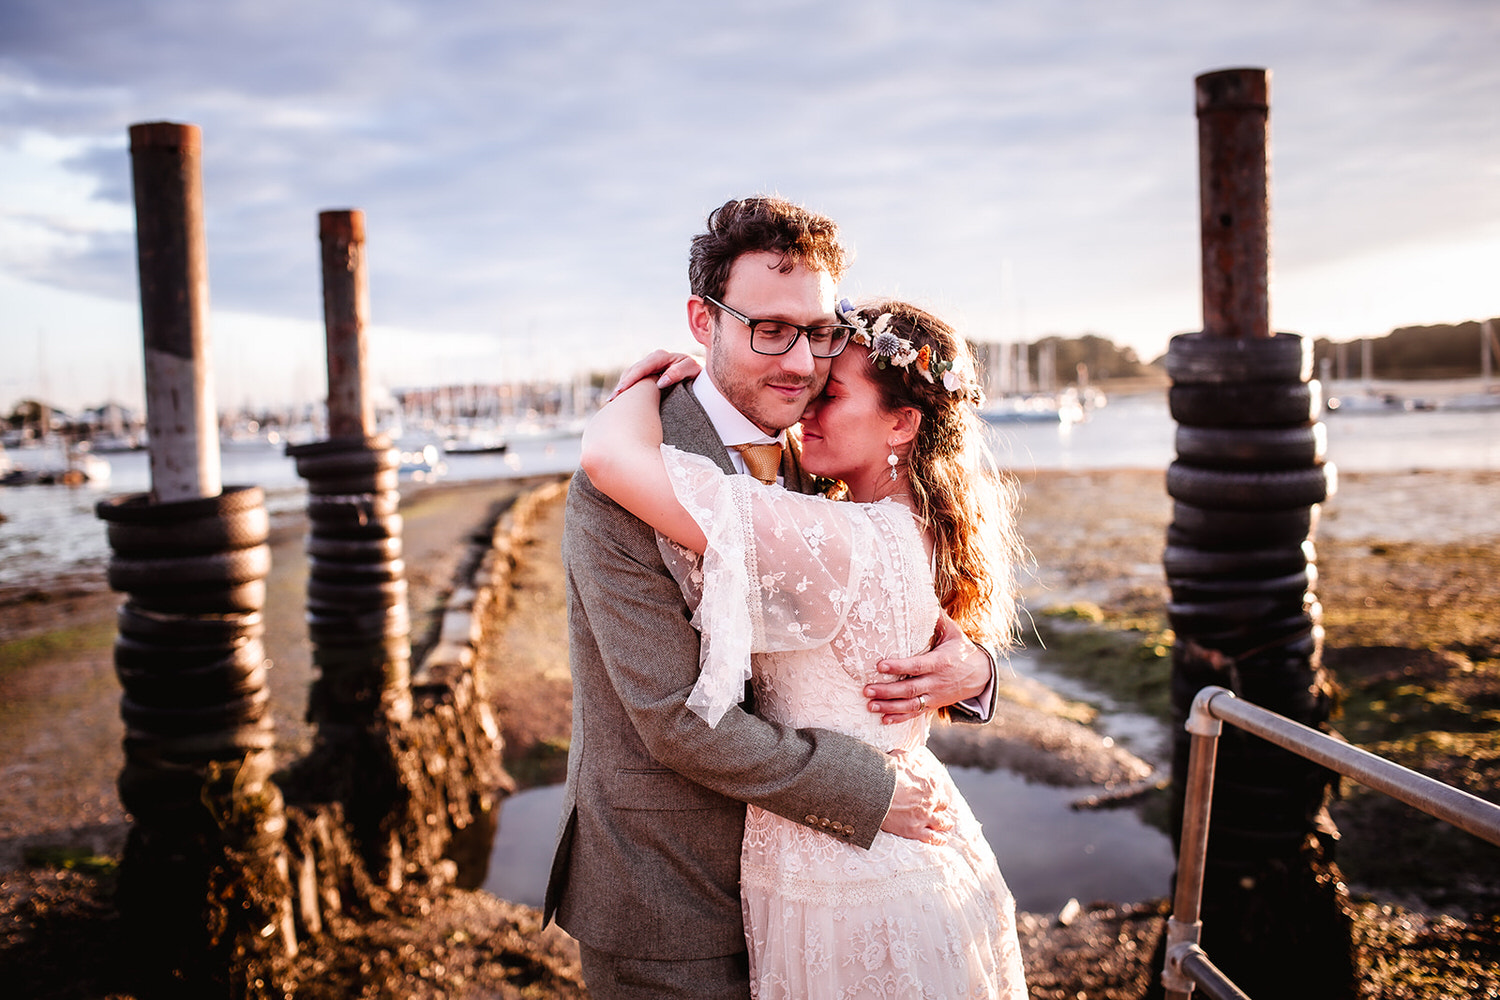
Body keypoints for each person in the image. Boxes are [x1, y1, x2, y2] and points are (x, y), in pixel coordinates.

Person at [543, 196, 1002, 999]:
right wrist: (870, 793)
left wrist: (974, 670)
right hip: (671, 893)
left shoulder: (815, 450)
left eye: (818, 331)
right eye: (770, 330)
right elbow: (677, 716)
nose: (801, 364)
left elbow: (886, 610)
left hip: (826, 884)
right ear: (703, 319)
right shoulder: (621, 481)